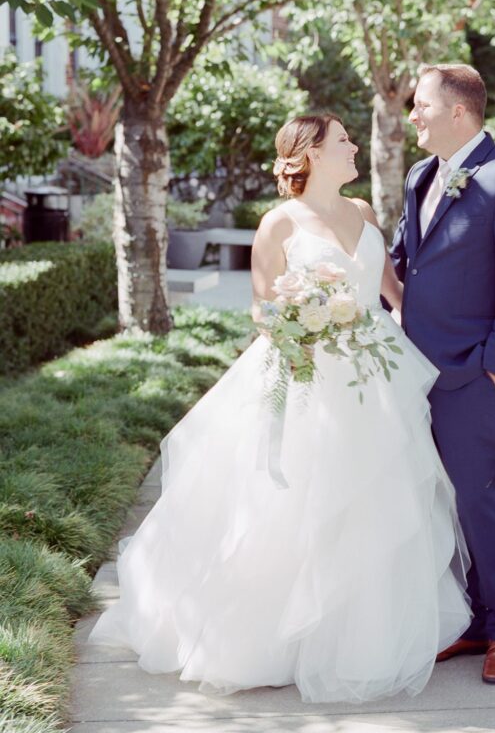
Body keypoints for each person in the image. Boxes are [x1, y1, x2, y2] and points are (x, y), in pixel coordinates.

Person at [88, 113, 471, 703]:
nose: (352, 146)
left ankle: (364, 631)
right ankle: (282, 637)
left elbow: (394, 290)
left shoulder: (365, 212)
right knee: (301, 506)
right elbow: (262, 313)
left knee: (378, 500)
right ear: (311, 153)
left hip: (376, 373)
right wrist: (310, 323)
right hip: (307, 374)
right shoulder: (279, 223)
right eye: (342, 139)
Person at [390, 63, 495, 684]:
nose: (413, 116)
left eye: (421, 105)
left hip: (471, 376)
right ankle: (475, 622)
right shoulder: (419, 175)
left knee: (481, 503)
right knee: (437, 505)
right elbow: (406, 262)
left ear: (459, 111)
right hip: (410, 373)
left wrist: (494, 369)